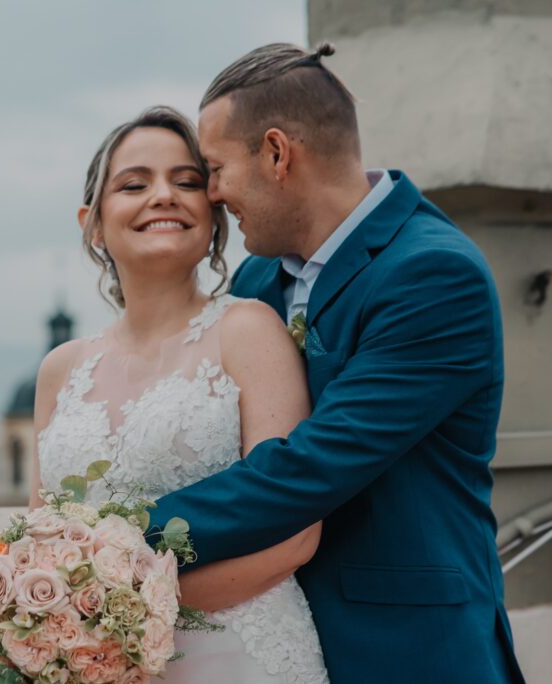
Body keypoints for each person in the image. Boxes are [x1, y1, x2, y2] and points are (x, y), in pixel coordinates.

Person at [146, 43, 526, 683]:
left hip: (408, 649)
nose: (211, 195)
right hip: (273, 642)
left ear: (276, 154)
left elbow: (309, 466)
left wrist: (120, 535)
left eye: (214, 169)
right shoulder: (257, 278)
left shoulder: (434, 275)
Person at [31, 106, 330, 683]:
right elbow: (40, 539)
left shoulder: (249, 330)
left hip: (237, 658)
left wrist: (118, 620)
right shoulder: (59, 370)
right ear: (92, 222)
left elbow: (294, 537)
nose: (163, 195)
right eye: (134, 184)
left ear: (213, 216)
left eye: (187, 182)